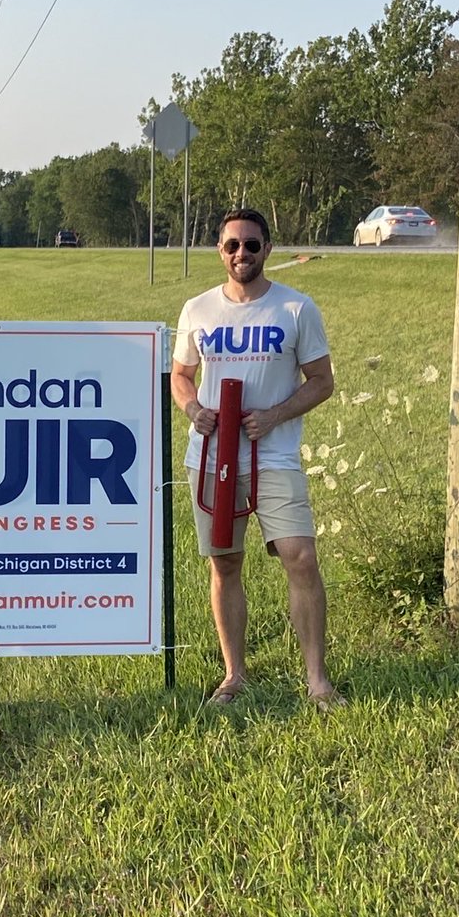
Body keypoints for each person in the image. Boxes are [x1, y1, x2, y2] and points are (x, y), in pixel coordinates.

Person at [171, 208, 345, 712]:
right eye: (232, 246)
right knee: (225, 563)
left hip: (275, 456)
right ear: (219, 252)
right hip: (211, 458)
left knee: (301, 557)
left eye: (251, 244)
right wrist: (193, 409)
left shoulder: (295, 309)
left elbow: (322, 381)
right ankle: (234, 675)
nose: (241, 253)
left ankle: (317, 681)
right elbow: (181, 375)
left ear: (268, 249)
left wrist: (274, 415)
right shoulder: (198, 309)